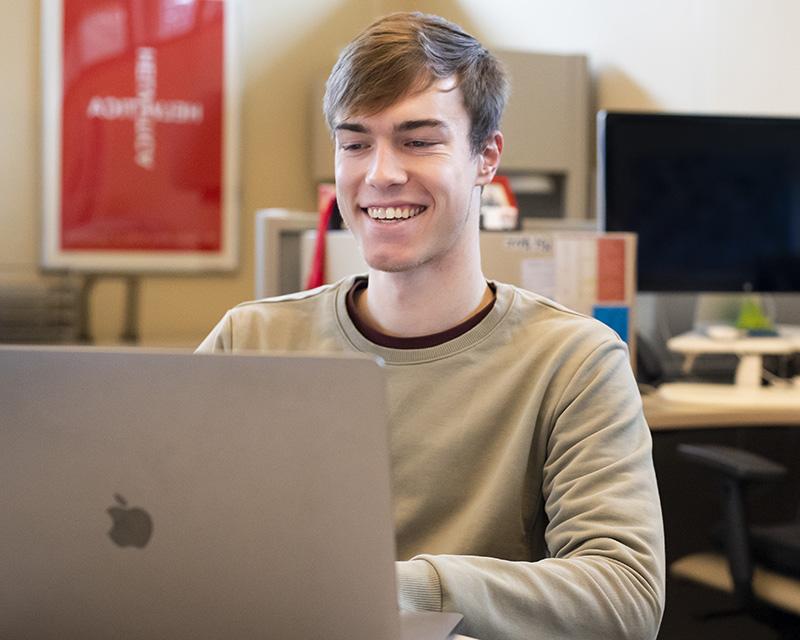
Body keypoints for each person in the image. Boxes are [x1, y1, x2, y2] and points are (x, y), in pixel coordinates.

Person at [197, 12, 665, 640]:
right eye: (355, 142)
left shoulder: (574, 361)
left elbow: (624, 596)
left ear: (485, 157)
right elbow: (158, 538)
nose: (380, 174)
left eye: (419, 140)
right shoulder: (248, 341)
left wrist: (403, 590)